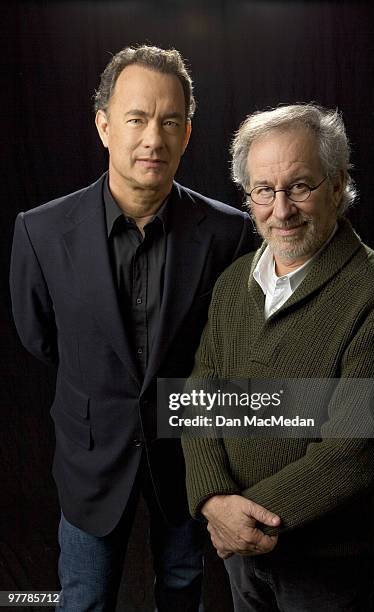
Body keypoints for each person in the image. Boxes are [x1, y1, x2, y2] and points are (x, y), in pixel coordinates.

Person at [9, 44, 254, 611]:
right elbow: (40, 336)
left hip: (187, 456)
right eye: (137, 119)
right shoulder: (40, 232)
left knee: (182, 592)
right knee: (85, 599)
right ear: (104, 126)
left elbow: (231, 353)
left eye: (171, 122)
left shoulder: (230, 234)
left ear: (188, 133)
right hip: (90, 456)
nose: (154, 139)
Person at [181, 103, 374, 611]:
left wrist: (243, 519)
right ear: (249, 196)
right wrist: (214, 501)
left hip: (327, 566)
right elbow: (199, 397)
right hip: (239, 554)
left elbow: (354, 455)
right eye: (264, 190)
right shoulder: (232, 284)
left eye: (299, 186)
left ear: (335, 185)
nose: (281, 210)